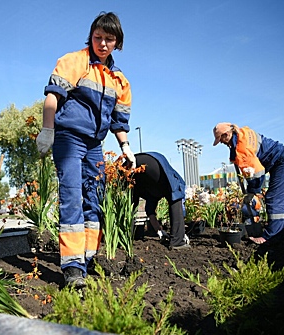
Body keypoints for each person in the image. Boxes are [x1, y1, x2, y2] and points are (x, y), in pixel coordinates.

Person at [36, 12, 135, 288]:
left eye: (109, 39)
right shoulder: (75, 61)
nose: (102, 43)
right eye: (98, 37)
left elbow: (119, 121)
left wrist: (125, 146)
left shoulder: (120, 81)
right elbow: (52, 97)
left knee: (95, 200)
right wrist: (48, 130)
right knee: (71, 199)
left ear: (117, 43)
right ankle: (72, 268)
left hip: (95, 145)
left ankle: (88, 259)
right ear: (91, 37)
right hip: (69, 138)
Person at [213, 122, 284, 244]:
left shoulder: (242, 147)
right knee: (282, 198)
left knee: (274, 197)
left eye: (221, 139)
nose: (221, 142)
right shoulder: (243, 134)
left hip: (282, 162)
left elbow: (257, 174)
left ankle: (270, 236)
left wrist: (252, 192)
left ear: (227, 134)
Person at [132, 152, 190, 250]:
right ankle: (178, 242)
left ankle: (124, 237)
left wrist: (159, 231)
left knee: (130, 204)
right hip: (152, 162)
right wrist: (181, 234)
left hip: (132, 160)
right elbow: (179, 206)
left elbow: (150, 212)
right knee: (175, 198)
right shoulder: (178, 182)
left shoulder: (153, 191)